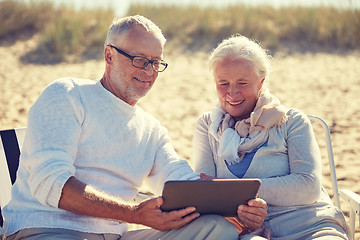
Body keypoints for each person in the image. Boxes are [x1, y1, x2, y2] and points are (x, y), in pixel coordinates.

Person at [2, 16, 266, 240]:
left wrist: (234, 205)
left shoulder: (150, 128)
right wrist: (133, 214)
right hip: (49, 229)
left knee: (215, 228)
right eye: (140, 59)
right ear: (109, 55)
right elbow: (50, 183)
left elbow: (179, 178)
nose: (149, 71)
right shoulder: (68, 94)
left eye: (156, 62)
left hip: (116, 236)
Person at [193, 34, 349, 240]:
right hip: (249, 232)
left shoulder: (291, 121)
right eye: (223, 83)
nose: (232, 92)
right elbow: (205, 192)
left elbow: (308, 186)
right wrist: (240, 213)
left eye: (242, 82)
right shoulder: (207, 126)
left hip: (310, 225)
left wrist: (233, 191)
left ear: (261, 82)